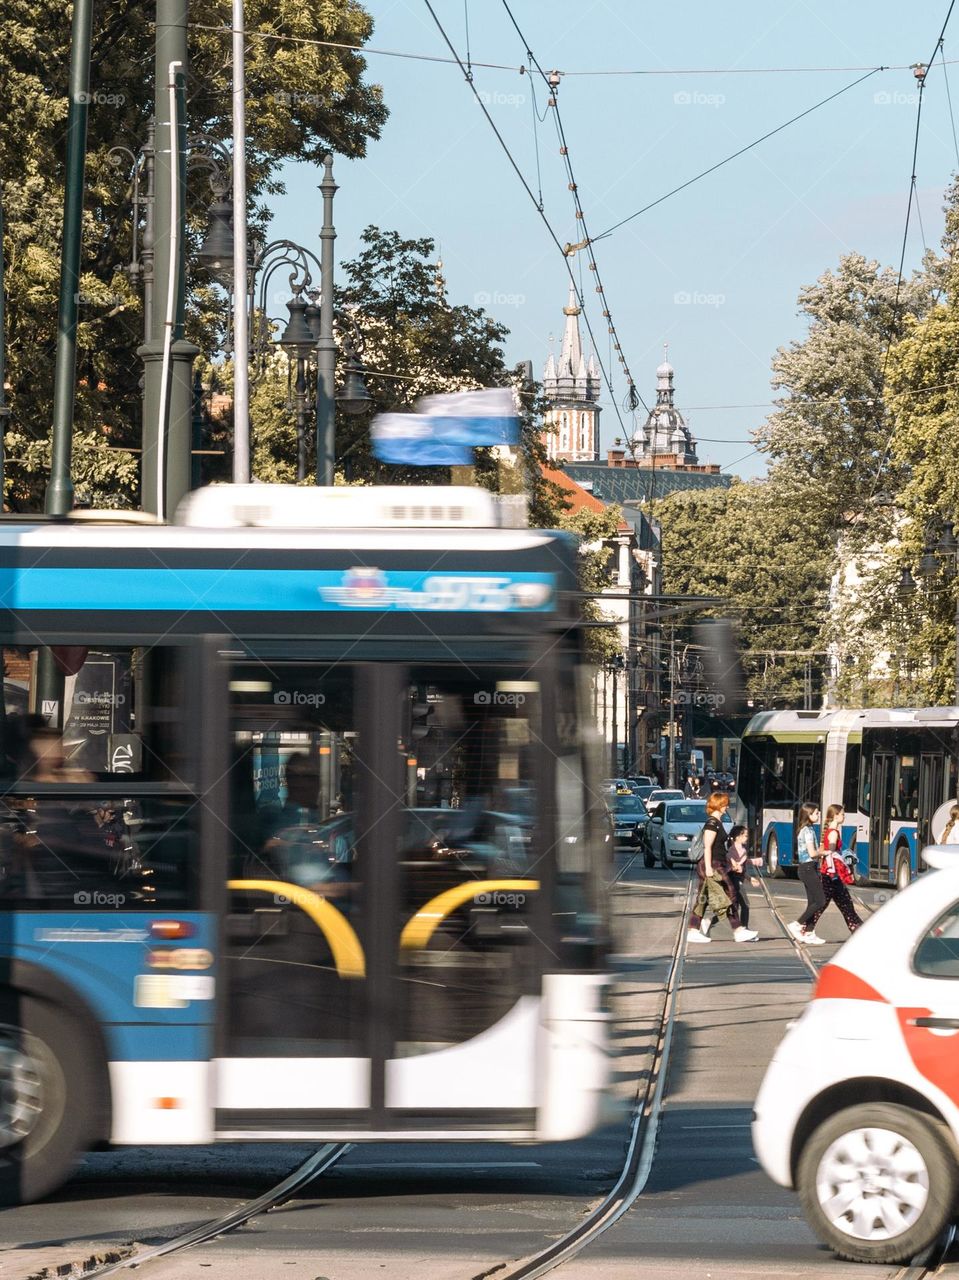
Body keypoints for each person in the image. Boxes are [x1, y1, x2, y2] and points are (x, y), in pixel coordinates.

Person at [687, 790, 759, 944]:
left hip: (718, 863)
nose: (726, 807)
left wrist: (731, 862)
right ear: (718, 805)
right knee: (730, 892)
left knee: (703, 899)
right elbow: (708, 847)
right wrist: (708, 869)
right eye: (725, 805)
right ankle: (738, 930)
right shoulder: (712, 824)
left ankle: (694, 929)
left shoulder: (717, 823)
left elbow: (720, 849)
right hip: (712, 864)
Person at [799, 803, 862, 936]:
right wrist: (844, 868)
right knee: (829, 904)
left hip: (829, 874)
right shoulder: (833, 833)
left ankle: (857, 928)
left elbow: (824, 850)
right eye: (842, 814)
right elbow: (832, 854)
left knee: (842, 904)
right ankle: (803, 928)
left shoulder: (829, 831)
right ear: (835, 816)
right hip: (832, 874)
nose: (844, 816)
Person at [788, 803, 828, 945]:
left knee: (813, 902)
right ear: (809, 815)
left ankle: (809, 932)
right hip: (808, 868)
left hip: (807, 868)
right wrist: (824, 852)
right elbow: (812, 853)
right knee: (820, 900)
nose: (818, 815)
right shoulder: (808, 831)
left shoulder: (806, 829)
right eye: (816, 813)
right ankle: (797, 924)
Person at [726, 824, 762, 930]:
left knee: (734, 906)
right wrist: (736, 867)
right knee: (745, 905)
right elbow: (731, 861)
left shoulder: (740, 849)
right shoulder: (734, 849)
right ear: (738, 837)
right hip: (735, 880)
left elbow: (742, 867)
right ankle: (744, 928)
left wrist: (749, 878)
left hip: (737, 879)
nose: (747, 838)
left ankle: (710, 921)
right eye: (745, 836)